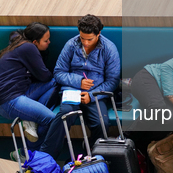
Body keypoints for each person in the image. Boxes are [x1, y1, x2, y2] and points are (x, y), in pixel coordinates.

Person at [39, 14, 120, 160]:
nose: (85, 43)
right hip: (71, 89)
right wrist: (79, 81)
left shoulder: (109, 49)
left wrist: (92, 94)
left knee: (101, 122)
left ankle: (94, 157)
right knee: (65, 115)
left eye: (90, 39)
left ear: (98, 34)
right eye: (82, 38)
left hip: (96, 92)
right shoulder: (71, 44)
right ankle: (46, 158)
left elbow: (113, 81)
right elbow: (58, 72)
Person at [0, 23, 58, 147]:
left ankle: (32, 120)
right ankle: (26, 154)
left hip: (19, 93)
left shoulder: (20, 44)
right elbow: (44, 76)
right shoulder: (28, 47)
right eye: (46, 40)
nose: (49, 42)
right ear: (34, 42)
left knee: (55, 82)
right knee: (51, 119)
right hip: (8, 101)